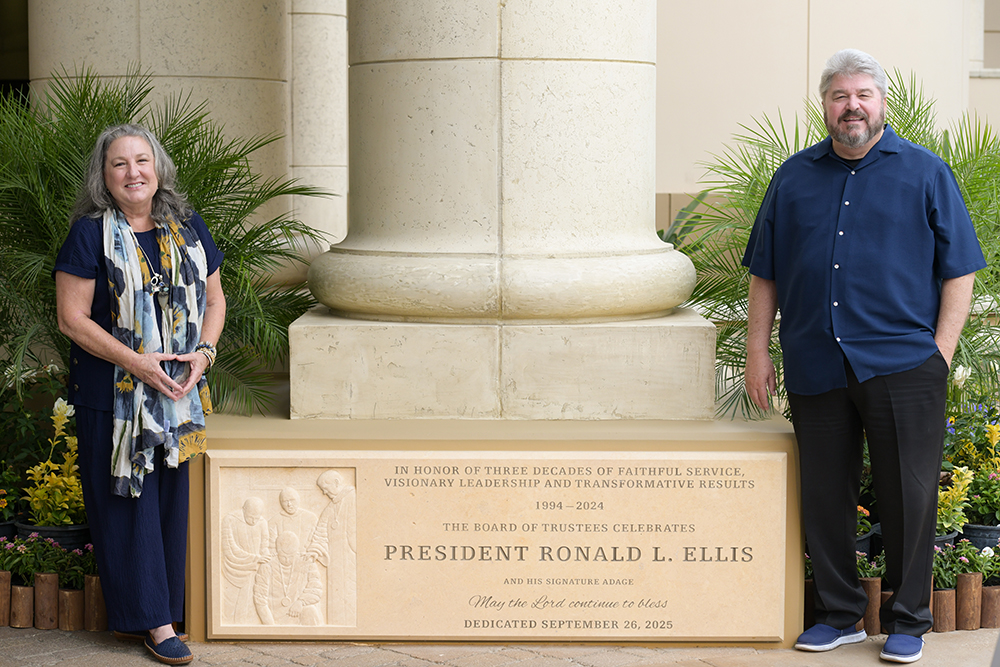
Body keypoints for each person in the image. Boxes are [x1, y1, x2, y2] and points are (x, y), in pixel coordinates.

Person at [743, 49, 985, 664]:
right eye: (839, 96)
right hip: (815, 361)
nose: (851, 106)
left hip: (904, 364)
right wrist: (757, 352)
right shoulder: (792, 178)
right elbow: (765, 273)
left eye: (863, 95)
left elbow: (961, 270)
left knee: (909, 493)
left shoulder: (927, 173)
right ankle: (839, 614)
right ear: (825, 105)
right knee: (825, 493)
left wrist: (942, 353)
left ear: (881, 103)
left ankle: (908, 619)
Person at [55, 123, 225, 665]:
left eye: (141, 161)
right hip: (113, 396)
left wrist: (204, 355)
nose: (133, 173)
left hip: (177, 394)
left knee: (172, 505)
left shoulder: (188, 226)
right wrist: (137, 364)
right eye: (119, 164)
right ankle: (157, 624)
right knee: (128, 508)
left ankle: (157, 613)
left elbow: (216, 302)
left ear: (158, 169)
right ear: (104, 177)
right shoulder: (89, 234)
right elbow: (71, 319)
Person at [306, 469, 357, 625]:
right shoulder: (330, 508)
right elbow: (320, 532)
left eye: (325, 488)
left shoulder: (355, 498)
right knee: (336, 598)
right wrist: (315, 550)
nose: (323, 492)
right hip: (335, 565)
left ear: (336, 482)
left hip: (352, 562)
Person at [253, 531, 323, 626]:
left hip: (299, 615)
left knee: (310, 610)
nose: (287, 560)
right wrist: (272, 629)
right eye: (283, 556)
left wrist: (301, 602)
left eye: (291, 556)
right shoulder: (267, 566)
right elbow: (260, 601)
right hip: (274, 618)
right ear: (277, 551)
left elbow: (316, 589)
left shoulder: (306, 562)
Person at [221, 496, 271, 624]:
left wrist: (264, 559)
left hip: (255, 570)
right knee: (229, 605)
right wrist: (256, 558)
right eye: (250, 517)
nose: (254, 521)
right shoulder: (230, 520)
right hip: (234, 569)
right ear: (243, 510)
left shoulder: (262, 522)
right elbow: (230, 549)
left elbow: (265, 546)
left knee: (250, 604)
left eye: (257, 517)